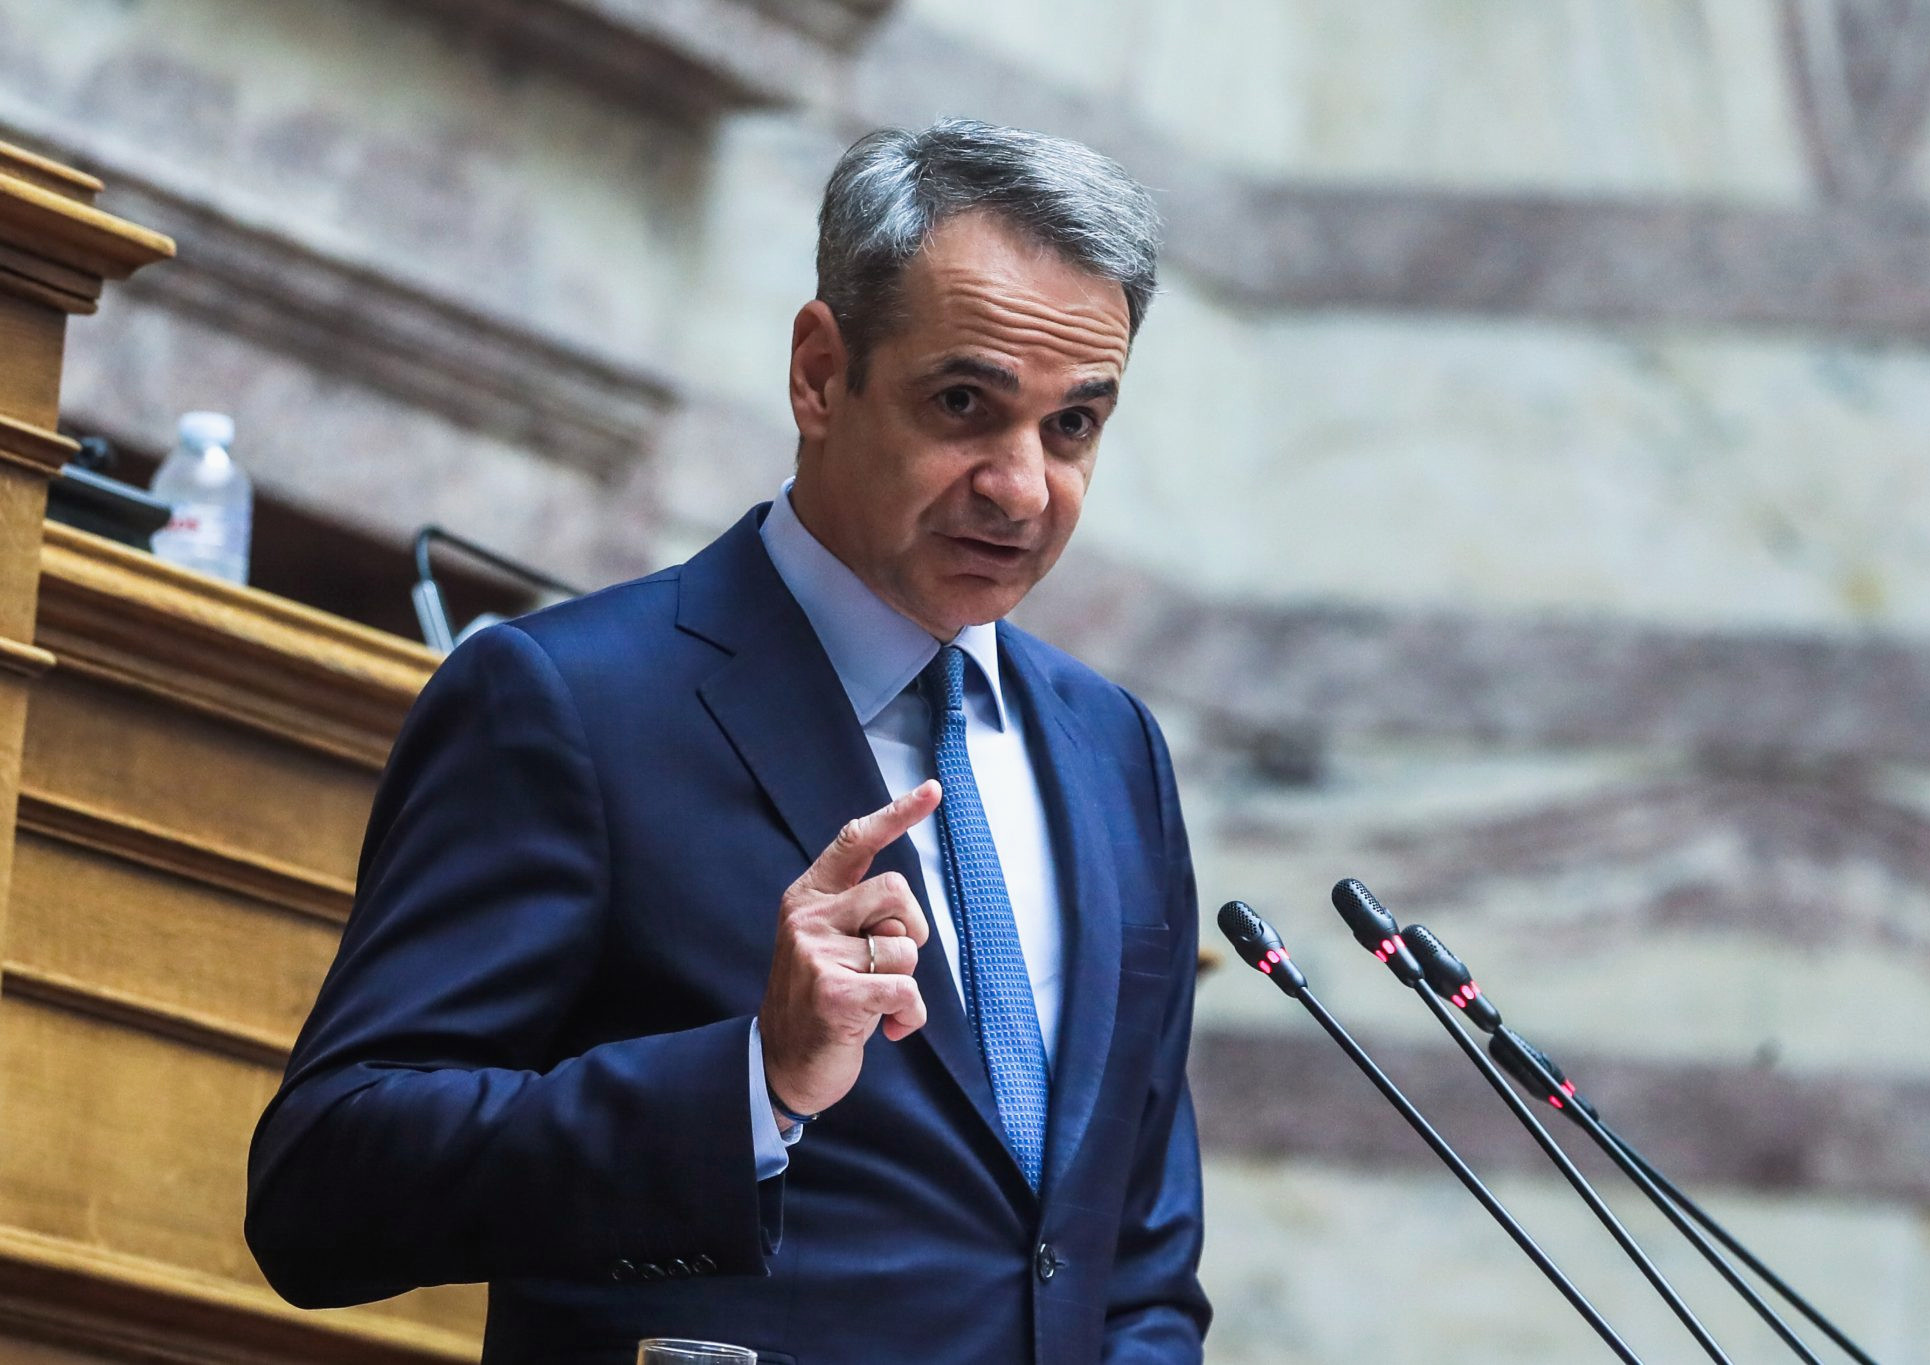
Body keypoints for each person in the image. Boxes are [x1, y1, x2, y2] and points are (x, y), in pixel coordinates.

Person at [245, 118, 1209, 1364]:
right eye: (964, 404)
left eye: (1070, 426)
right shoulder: (567, 700)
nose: (1020, 486)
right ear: (819, 374)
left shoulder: (1113, 751)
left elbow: (1134, 1266)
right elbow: (324, 1184)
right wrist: (753, 1081)